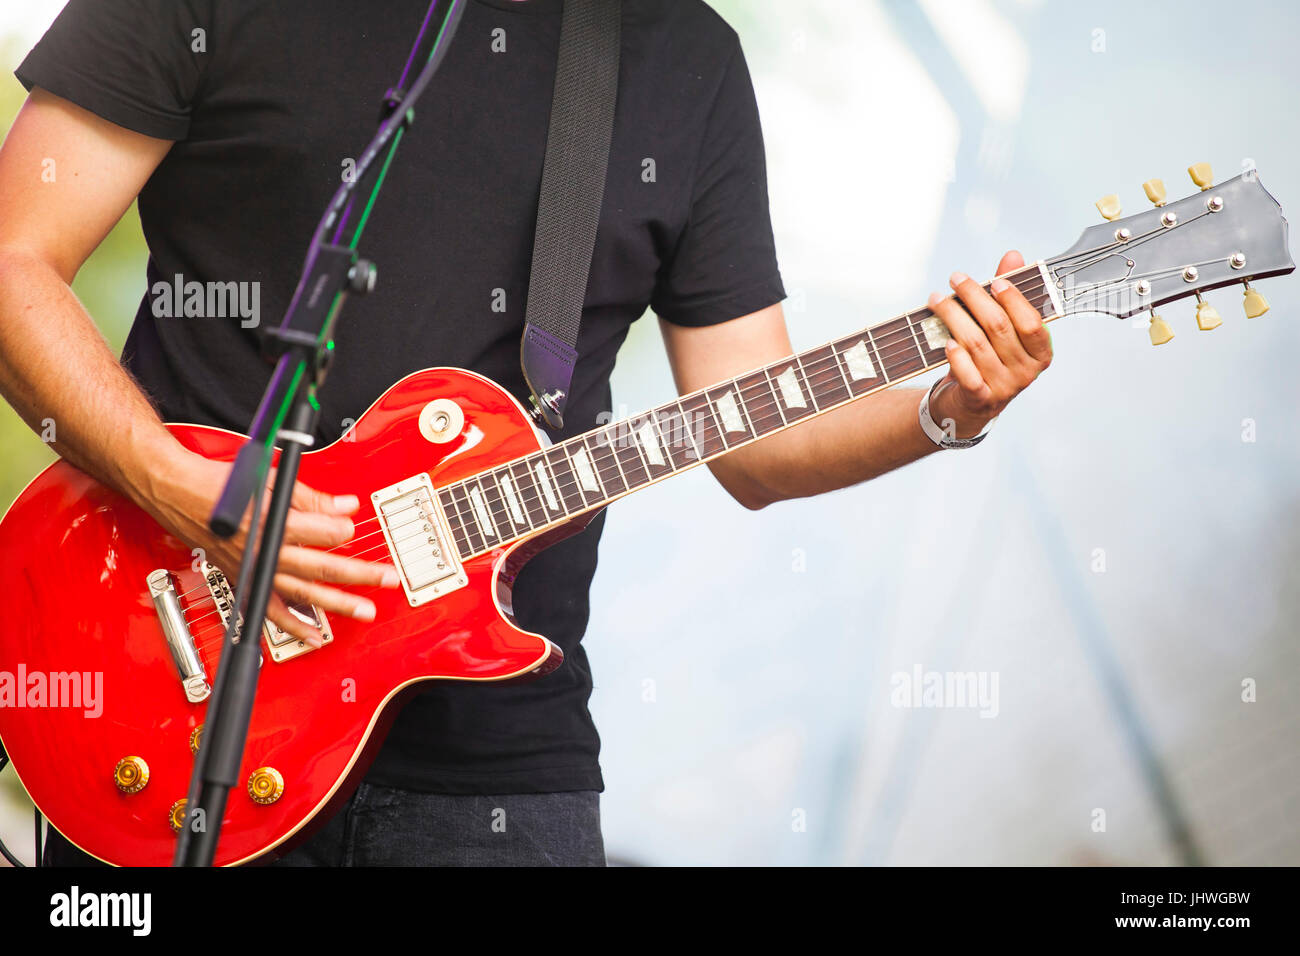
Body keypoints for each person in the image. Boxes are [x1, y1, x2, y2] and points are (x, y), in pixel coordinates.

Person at [0, 0, 1051, 866]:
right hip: (168, 700)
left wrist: (945, 406)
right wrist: (189, 490)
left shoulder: (680, 61)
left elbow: (753, 435)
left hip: (496, 769)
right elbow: (12, 263)